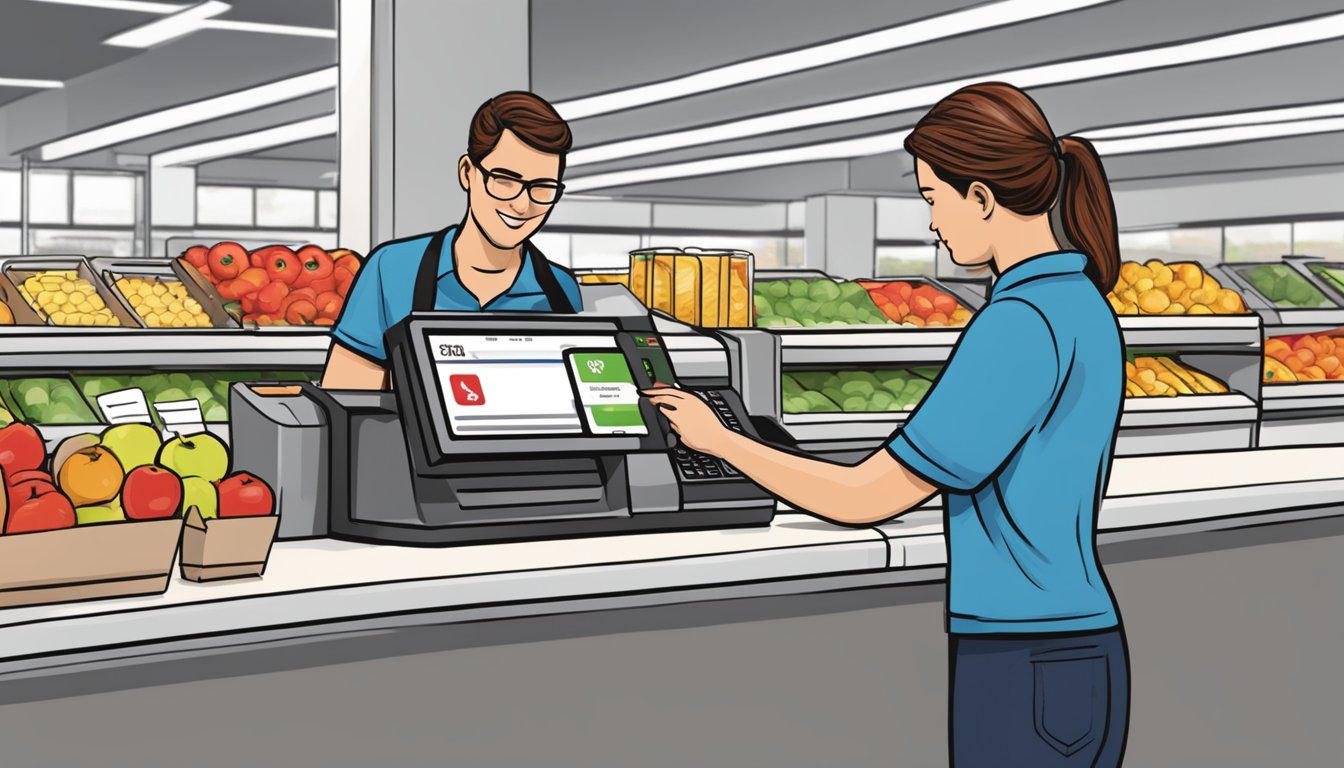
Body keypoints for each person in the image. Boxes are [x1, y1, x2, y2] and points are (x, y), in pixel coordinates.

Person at [643, 82, 1129, 767]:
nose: (933, 222)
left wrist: (721, 440)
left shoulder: (1019, 326)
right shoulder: (1082, 305)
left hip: (1023, 654)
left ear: (983, 198)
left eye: (935, 198)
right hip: (1083, 655)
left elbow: (867, 497)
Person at [322, 91, 582, 390]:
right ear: (467, 173)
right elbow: (349, 406)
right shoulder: (392, 270)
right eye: (504, 180)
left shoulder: (560, 290)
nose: (522, 205)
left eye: (542, 187)